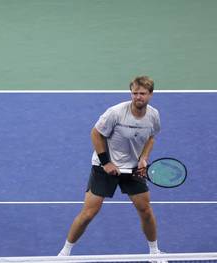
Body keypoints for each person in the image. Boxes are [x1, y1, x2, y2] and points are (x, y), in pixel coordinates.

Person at [58, 76, 165, 258]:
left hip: (132, 170)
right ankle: (64, 254)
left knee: (145, 211)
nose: (138, 97)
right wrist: (106, 162)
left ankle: (155, 253)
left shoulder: (153, 115)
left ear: (151, 94)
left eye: (143, 93)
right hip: (105, 167)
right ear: (131, 93)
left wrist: (144, 158)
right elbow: (95, 133)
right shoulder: (115, 113)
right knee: (89, 213)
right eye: (135, 93)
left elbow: (151, 137)